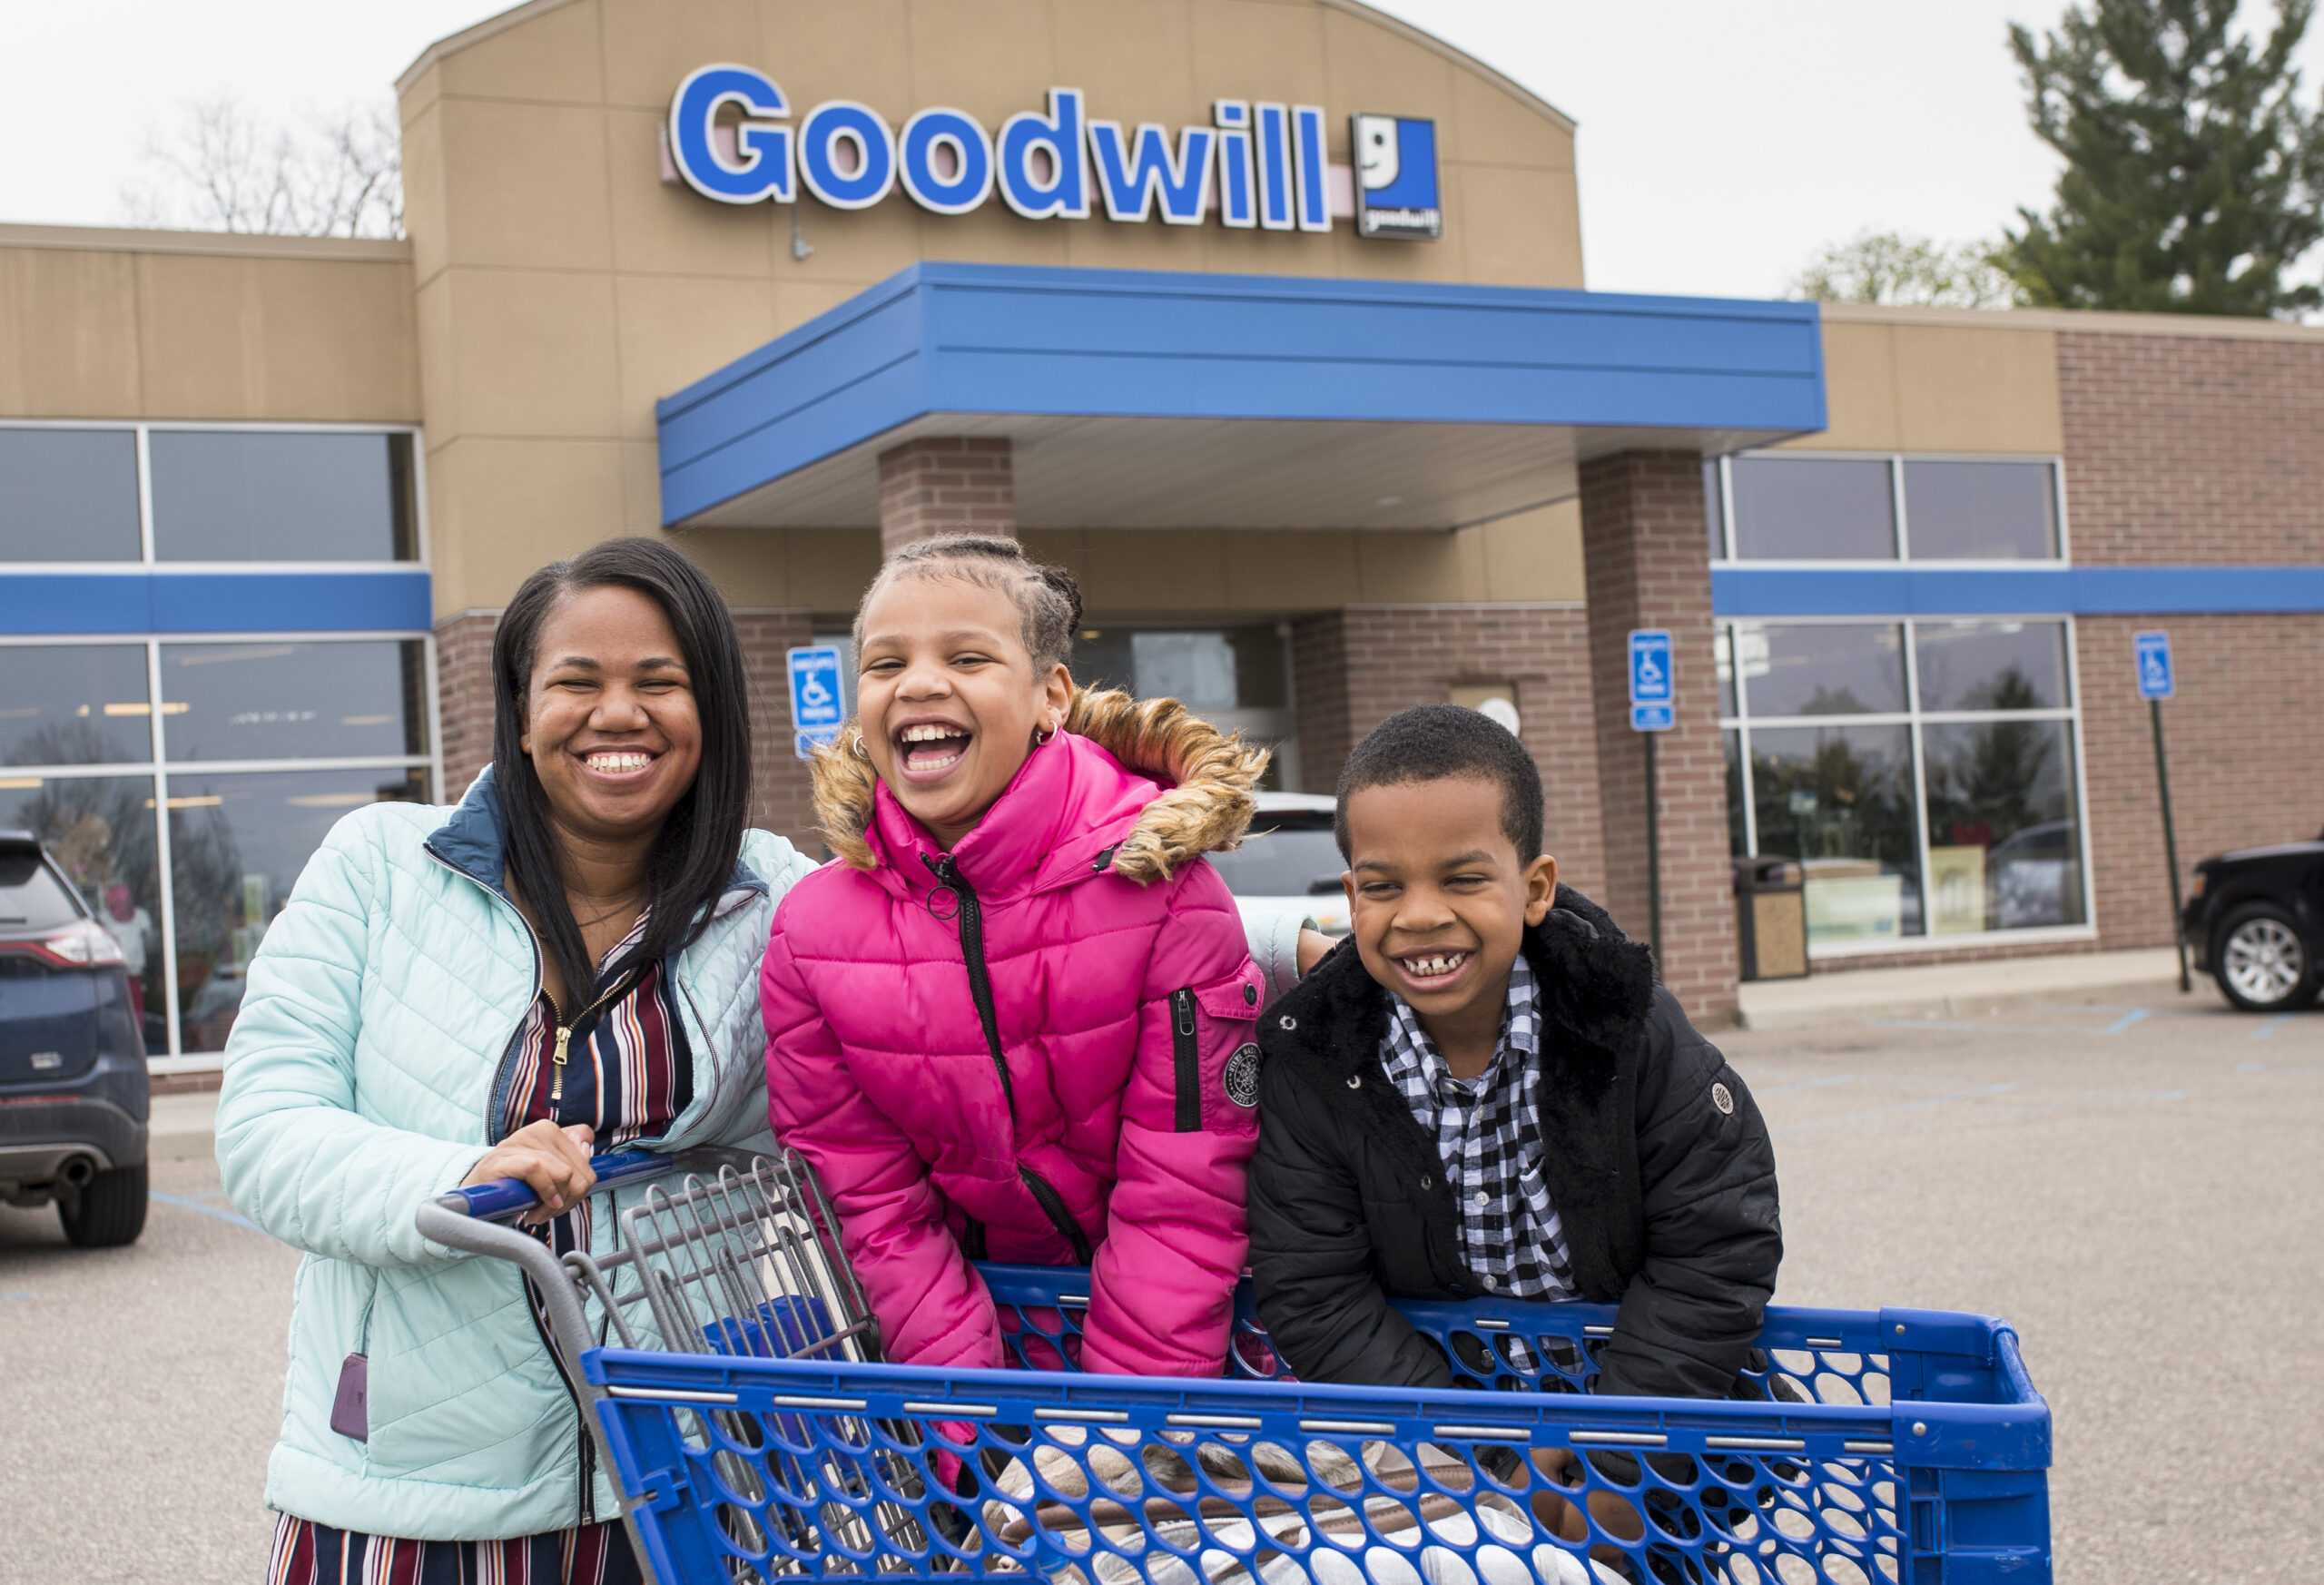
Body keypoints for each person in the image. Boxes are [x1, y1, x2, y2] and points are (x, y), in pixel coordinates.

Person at [216, 539, 816, 1580]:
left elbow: (929, 1013)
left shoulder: (773, 896)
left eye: (659, 683)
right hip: (409, 1497)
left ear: (710, 709)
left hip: (685, 1484)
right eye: (576, 682)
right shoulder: (376, 869)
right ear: (522, 710)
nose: (617, 714)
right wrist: (454, 1179)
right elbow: (266, 1133)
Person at [1246, 704, 1780, 1556]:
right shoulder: (1317, 1061)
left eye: (1462, 880)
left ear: (1534, 889)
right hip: (1440, 1462)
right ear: (1351, 897)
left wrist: (1611, 1455)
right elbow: (1313, 1288)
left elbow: (1718, 1242)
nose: (1419, 915)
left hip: (1652, 1443)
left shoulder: (1627, 1030)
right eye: (1383, 886)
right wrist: (1481, 1461)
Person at [763, 536, 1271, 1384]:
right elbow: (871, 1202)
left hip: (1196, 1353)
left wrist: (1120, 1427)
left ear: (1051, 697)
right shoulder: (811, 934)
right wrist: (968, 1408)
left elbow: (1187, 1187)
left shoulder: (1167, 893)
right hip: (991, 1348)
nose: (920, 683)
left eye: (967, 656)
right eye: (885, 664)